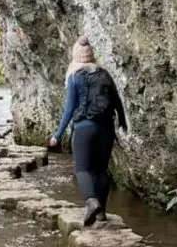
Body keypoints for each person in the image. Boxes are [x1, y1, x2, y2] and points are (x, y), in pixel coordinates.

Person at [48, 36, 128, 227]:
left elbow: (69, 109)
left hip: (84, 127)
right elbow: (117, 101)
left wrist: (57, 134)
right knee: (101, 171)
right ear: (93, 56)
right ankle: (102, 213)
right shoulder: (105, 74)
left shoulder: (75, 77)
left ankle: (92, 202)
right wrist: (123, 123)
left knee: (83, 169)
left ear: (76, 57)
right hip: (106, 129)